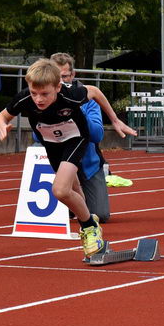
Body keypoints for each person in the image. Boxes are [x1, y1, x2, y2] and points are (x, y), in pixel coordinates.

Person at [0, 59, 136, 256]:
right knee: (73, 188)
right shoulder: (24, 98)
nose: (38, 99)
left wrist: (115, 119)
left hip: (75, 138)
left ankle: (89, 227)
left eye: (45, 94)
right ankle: (89, 220)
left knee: (60, 190)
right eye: (34, 93)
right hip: (51, 143)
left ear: (58, 87)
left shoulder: (71, 94)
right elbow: (1, 116)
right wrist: (2, 125)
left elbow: (95, 91)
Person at [51, 53, 111, 222]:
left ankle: (77, 200)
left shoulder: (88, 97)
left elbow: (97, 134)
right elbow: (36, 135)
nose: (61, 82)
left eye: (64, 77)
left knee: (100, 215)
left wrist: (76, 111)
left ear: (73, 75)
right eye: (56, 77)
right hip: (61, 162)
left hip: (87, 163)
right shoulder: (45, 96)